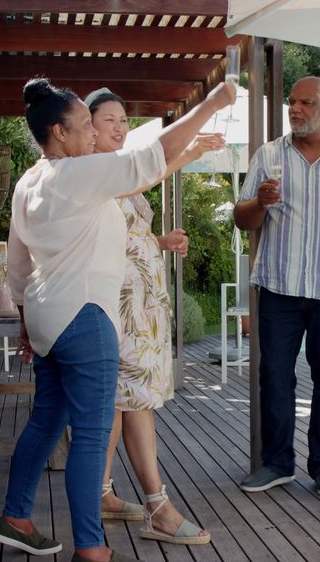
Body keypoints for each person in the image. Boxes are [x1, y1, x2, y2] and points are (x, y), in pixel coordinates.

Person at [0, 78, 235, 562]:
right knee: (90, 433)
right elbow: (149, 157)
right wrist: (211, 103)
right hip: (84, 317)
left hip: (45, 318)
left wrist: (24, 321)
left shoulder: (29, 181)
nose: (93, 135)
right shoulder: (75, 174)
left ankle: (16, 515)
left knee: (46, 421)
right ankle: (91, 547)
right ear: (59, 133)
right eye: (85, 126)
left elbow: (17, 265)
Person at [83, 87, 221, 545]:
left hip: (141, 309)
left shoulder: (114, 171)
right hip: (119, 310)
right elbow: (140, 178)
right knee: (132, 402)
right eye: (109, 120)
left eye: (124, 119)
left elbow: (123, 230)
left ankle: (102, 494)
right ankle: (157, 505)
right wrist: (189, 147)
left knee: (122, 403)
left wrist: (158, 243)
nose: (120, 127)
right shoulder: (94, 171)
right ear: (88, 128)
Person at [233, 76, 320, 497]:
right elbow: (243, 218)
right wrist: (259, 202)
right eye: (291, 102)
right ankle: (277, 463)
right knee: (275, 375)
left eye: (305, 104)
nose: (294, 110)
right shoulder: (268, 155)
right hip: (280, 285)